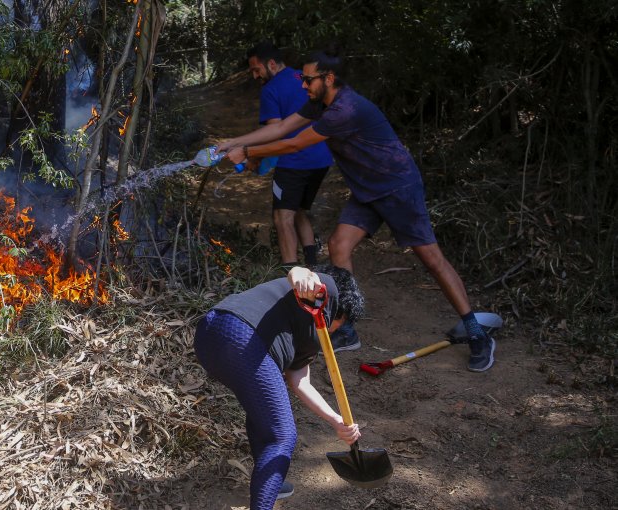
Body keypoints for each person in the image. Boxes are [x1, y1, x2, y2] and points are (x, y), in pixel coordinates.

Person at [217, 47, 496, 372]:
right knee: (338, 245)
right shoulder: (320, 102)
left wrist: (249, 151)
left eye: (307, 80)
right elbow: (282, 129)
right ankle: (346, 328)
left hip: (397, 187)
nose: (303, 85)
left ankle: (476, 332)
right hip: (367, 191)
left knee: (432, 260)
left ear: (329, 78)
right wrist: (234, 142)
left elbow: (295, 143)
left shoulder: (345, 109)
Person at [194, 265, 363, 508]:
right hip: (241, 337)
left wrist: (336, 420)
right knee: (283, 435)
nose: (336, 331)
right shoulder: (328, 292)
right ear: (341, 313)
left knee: (264, 416)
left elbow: (300, 380)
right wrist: (302, 277)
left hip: (210, 334)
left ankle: (267, 482)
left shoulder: (301, 325)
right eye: (341, 324)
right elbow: (301, 274)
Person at [244, 42, 334, 271]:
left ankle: (291, 273)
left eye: (257, 70)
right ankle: (313, 264)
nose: (255, 76)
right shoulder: (303, 77)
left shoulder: (271, 90)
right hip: (322, 158)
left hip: (294, 161)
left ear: (271, 64)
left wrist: (253, 156)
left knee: (282, 217)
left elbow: (275, 131)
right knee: (298, 210)